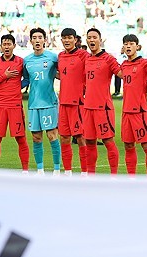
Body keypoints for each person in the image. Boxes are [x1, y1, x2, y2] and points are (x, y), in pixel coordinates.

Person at [0, 34, 29, 171]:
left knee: (21, 139)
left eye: (9, 44)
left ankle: (25, 171)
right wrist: (5, 76)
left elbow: (27, 79)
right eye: (4, 44)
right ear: (1, 46)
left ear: (14, 46)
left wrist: (17, 87)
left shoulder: (21, 62)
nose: (6, 46)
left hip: (15, 105)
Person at [22, 28, 61, 175]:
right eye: (34, 37)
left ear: (45, 40)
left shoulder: (52, 57)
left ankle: (57, 170)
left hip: (49, 103)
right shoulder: (27, 60)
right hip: (33, 104)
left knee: (52, 135)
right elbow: (26, 80)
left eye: (40, 37)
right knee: (36, 137)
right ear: (31, 41)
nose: (37, 40)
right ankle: (40, 170)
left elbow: (62, 74)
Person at [83, 27, 121, 174]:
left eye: (94, 37)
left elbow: (121, 73)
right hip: (88, 107)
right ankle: (91, 176)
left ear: (100, 40)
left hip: (103, 108)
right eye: (89, 37)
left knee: (108, 141)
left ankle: (113, 176)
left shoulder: (108, 58)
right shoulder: (86, 58)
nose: (92, 40)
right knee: (90, 142)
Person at [120, 34, 147, 175]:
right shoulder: (124, 64)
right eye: (126, 44)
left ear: (138, 46)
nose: (128, 46)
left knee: (146, 145)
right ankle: (131, 178)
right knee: (128, 145)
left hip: (140, 111)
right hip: (126, 111)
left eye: (131, 43)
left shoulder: (144, 63)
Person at [57, 28, 89, 175]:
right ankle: (68, 172)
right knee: (64, 137)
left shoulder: (83, 55)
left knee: (81, 137)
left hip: (78, 103)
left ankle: (84, 172)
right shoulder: (60, 56)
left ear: (75, 39)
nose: (67, 40)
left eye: (69, 37)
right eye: (64, 38)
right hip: (63, 102)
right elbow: (62, 74)